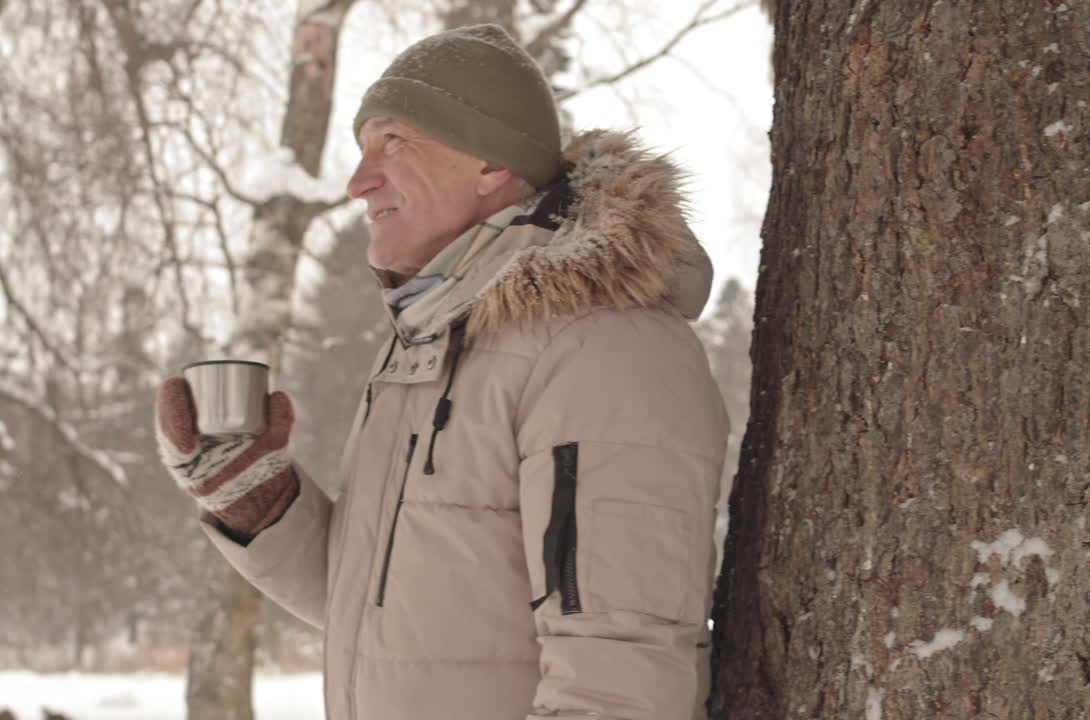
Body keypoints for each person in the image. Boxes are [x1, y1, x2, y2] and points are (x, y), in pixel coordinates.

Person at [154, 23, 729, 720]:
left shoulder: (604, 348)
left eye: (393, 145)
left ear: (490, 164)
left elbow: (622, 673)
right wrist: (258, 505)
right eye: (362, 151)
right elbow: (392, 623)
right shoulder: (435, 345)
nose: (359, 182)